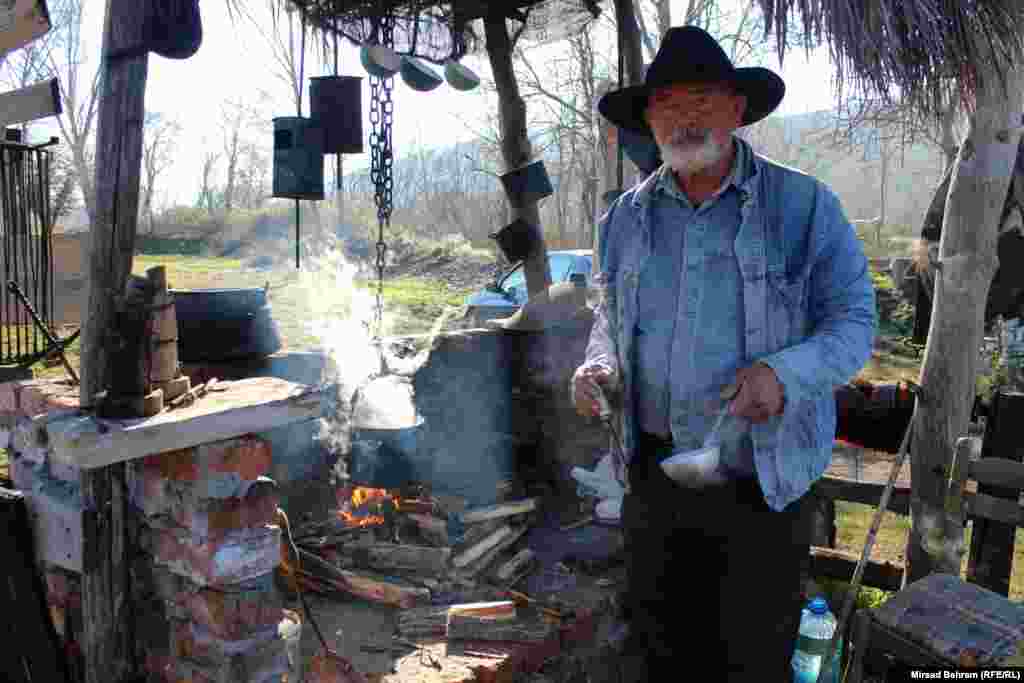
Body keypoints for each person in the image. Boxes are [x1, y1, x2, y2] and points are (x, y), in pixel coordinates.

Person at [571, 25, 876, 681]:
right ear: (648, 119)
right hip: (653, 485)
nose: (684, 117)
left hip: (759, 488)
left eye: (702, 98)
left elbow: (854, 321)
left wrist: (783, 374)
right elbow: (612, 314)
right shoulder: (623, 219)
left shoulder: (802, 206)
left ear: (737, 109)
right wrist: (599, 364)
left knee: (750, 663)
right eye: (667, 103)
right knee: (661, 655)